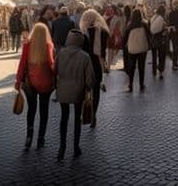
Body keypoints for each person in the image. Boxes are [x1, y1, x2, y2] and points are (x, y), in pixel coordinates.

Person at [55, 30, 94, 162]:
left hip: (62, 90)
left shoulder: (61, 53)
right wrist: (88, 88)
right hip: (78, 91)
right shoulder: (85, 56)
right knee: (77, 118)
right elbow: (90, 79)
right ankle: (76, 147)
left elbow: (54, 70)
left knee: (63, 117)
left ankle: (62, 147)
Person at [14, 22, 55, 150]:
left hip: (30, 83)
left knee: (31, 110)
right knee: (44, 111)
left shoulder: (27, 45)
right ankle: (41, 138)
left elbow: (22, 64)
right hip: (46, 83)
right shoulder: (48, 45)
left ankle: (29, 136)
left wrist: (18, 81)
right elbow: (52, 65)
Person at [79, 9, 108, 128]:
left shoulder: (83, 32)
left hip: (85, 63)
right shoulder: (104, 32)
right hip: (97, 64)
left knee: (85, 89)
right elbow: (103, 52)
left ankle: (84, 111)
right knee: (96, 91)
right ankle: (93, 115)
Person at [123, 8, 151, 92]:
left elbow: (125, 37)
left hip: (132, 49)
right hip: (142, 48)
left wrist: (125, 45)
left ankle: (130, 85)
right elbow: (149, 34)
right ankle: (141, 85)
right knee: (141, 67)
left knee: (132, 67)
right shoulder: (144, 24)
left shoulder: (130, 25)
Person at [149, 4, 168, 79]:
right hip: (160, 39)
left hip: (153, 39)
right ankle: (161, 72)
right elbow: (163, 29)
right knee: (161, 56)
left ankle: (154, 71)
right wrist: (166, 29)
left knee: (154, 56)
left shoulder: (153, 17)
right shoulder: (162, 18)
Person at [167, 0, 178, 70]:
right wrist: (173, 27)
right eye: (175, 4)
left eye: (177, 4)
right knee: (175, 49)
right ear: (173, 5)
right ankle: (174, 65)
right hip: (174, 34)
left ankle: (176, 63)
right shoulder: (171, 13)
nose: (177, 6)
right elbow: (169, 23)